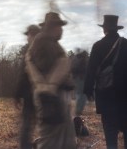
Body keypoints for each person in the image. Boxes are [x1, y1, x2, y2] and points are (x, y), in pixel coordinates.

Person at [25, 12, 76, 149]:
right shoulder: (44, 42)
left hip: (53, 96)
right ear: (53, 27)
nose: (62, 30)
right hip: (51, 97)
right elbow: (47, 69)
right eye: (60, 26)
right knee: (51, 141)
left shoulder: (47, 42)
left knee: (59, 140)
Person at [84, 15, 127, 149]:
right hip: (125, 97)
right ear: (116, 28)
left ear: (105, 29)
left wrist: (88, 90)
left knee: (110, 135)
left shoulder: (98, 46)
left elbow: (91, 70)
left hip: (106, 96)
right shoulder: (126, 44)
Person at [14, 24, 40, 149]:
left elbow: (23, 75)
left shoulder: (31, 51)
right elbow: (22, 74)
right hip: (34, 95)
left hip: (34, 94)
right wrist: (18, 94)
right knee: (30, 124)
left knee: (28, 125)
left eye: (29, 35)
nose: (27, 38)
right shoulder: (32, 50)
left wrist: (17, 94)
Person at [71, 48, 88, 116]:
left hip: (76, 78)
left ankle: (78, 109)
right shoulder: (83, 60)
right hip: (81, 78)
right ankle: (78, 110)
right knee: (82, 95)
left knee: (79, 94)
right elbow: (85, 69)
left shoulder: (75, 59)